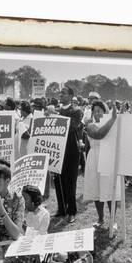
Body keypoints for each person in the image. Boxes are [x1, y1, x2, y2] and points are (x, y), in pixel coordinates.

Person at [82, 100, 119, 227]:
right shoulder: (90, 125)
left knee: (109, 189)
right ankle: (101, 218)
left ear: (105, 112)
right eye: (95, 111)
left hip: (108, 157)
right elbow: (99, 135)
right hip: (95, 158)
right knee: (97, 189)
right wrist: (113, 119)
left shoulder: (112, 124)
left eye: (100, 111)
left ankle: (113, 220)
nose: (97, 113)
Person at [55, 87, 84, 223]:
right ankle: (61, 209)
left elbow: (72, 126)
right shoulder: (57, 110)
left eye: (63, 93)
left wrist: (55, 116)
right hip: (57, 151)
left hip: (71, 151)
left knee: (70, 181)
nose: (60, 95)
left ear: (71, 96)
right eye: (60, 93)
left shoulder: (77, 111)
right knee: (59, 180)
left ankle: (71, 211)